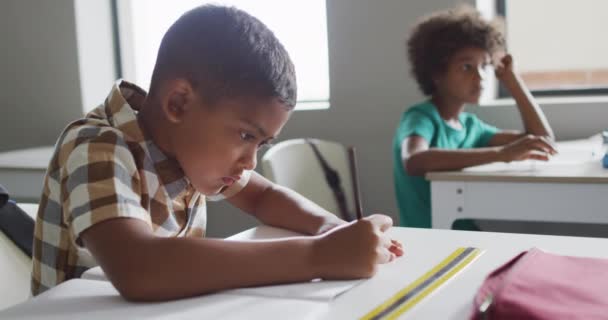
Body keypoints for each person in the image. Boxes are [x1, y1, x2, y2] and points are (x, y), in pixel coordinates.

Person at [32, 5, 403, 300]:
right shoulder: (96, 146)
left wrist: (332, 230)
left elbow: (265, 196)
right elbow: (139, 268)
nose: (250, 160)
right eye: (245, 135)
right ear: (178, 103)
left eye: (261, 144)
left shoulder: (186, 148)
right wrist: (318, 256)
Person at [393, 6, 556, 228]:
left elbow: (541, 141)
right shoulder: (421, 117)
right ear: (437, 73)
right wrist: (502, 154)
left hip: (465, 236)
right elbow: (414, 161)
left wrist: (512, 80)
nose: (479, 77)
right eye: (467, 67)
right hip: (432, 237)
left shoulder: (471, 127)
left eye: (484, 66)